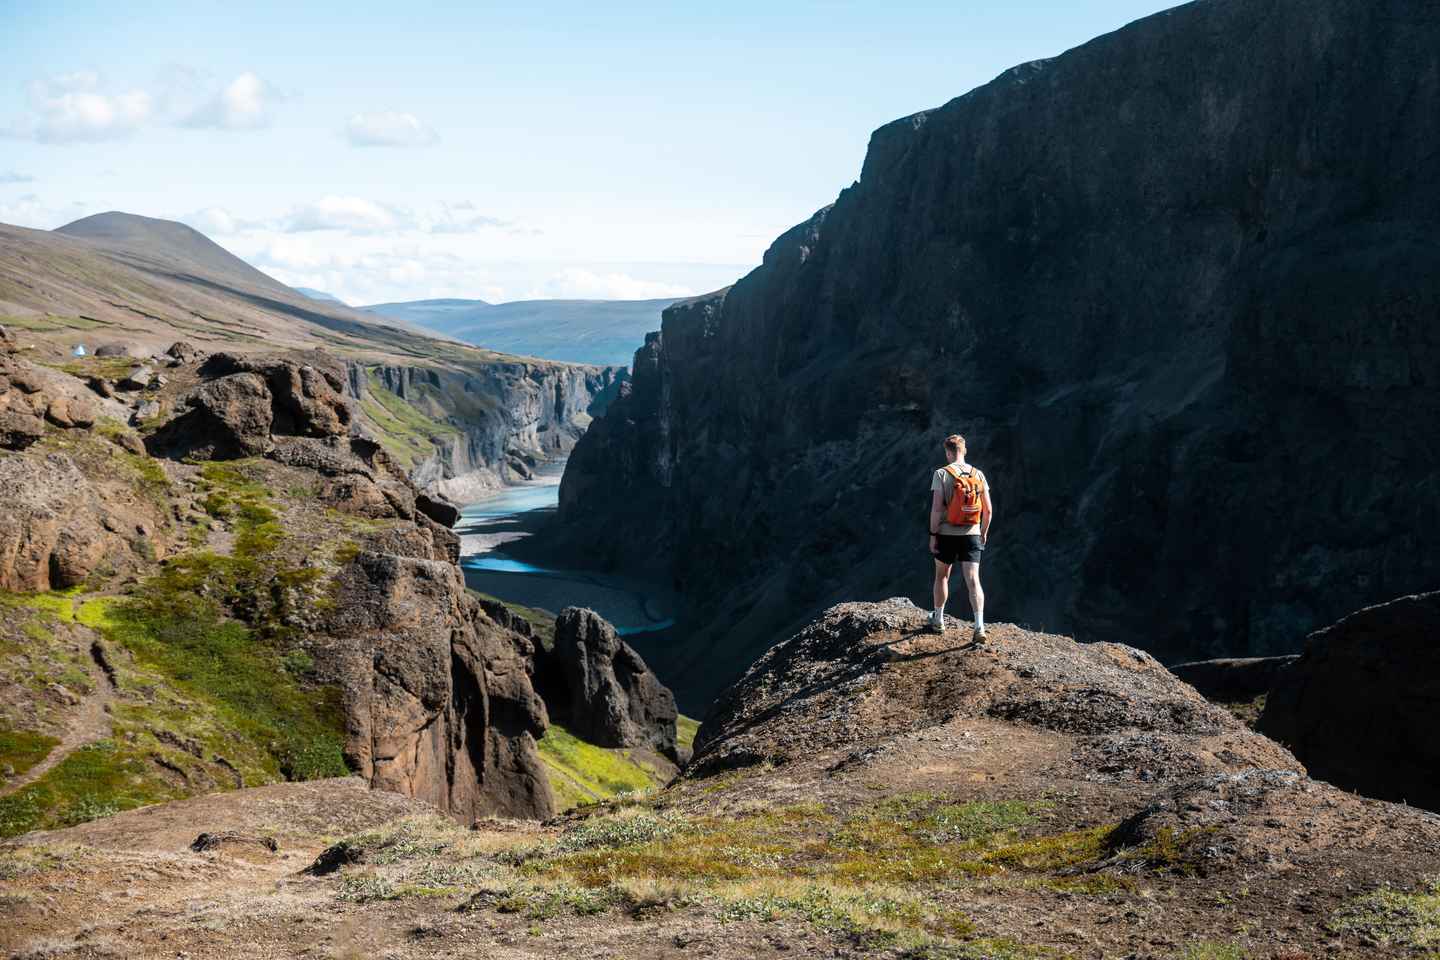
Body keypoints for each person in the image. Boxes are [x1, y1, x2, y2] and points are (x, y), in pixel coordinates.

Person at [928, 434, 993, 638]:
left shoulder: (941, 474)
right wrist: (982, 533)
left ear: (948, 452)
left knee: (942, 576)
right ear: (964, 450)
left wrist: (933, 534)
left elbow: (936, 509)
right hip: (972, 533)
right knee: (974, 580)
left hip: (946, 534)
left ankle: (938, 619)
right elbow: (988, 510)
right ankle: (979, 626)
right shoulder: (978, 474)